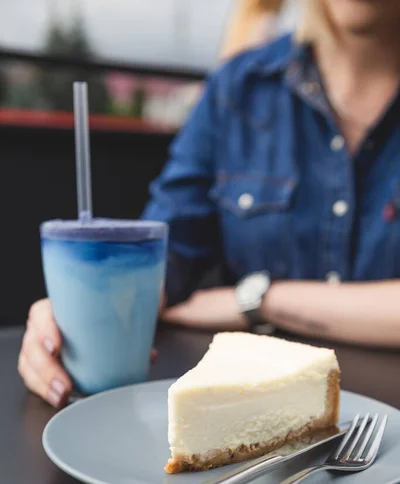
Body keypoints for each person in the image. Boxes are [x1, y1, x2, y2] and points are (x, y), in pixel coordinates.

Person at [19, 0, 400, 407]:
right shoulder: (237, 88)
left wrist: (258, 300)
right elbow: (166, 255)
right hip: (257, 420)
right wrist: (83, 310)